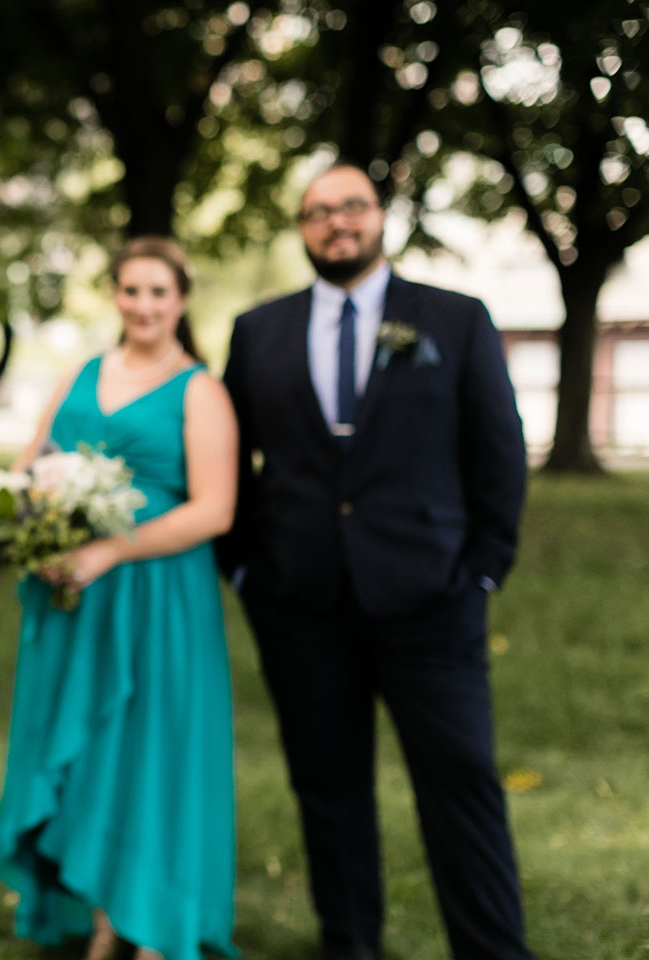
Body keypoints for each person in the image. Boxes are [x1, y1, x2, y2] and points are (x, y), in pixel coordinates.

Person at [215, 163, 532, 960]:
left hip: (434, 602)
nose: (337, 223)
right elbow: (229, 460)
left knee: (462, 783)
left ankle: (494, 950)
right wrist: (249, 571)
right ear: (302, 227)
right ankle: (349, 945)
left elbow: (499, 451)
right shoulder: (260, 331)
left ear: (380, 215)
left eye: (351, 206)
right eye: (319, 212)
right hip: (302, 606)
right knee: (330, 794)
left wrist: (484, 570)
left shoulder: (455, 320)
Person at [0, 237, 239, 960]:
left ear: (181, 300)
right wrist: (25, 518)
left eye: (159, 292)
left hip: (159, 597)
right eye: (132, 290)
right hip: (76, 600)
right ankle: (102, 918)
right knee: (92, 748)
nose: (145, 305)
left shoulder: (201, 390)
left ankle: (151, 923)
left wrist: (112, 550)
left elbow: (216, 509)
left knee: (151, 748)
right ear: (115, 295)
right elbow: (32, 460)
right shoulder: (81, 373)